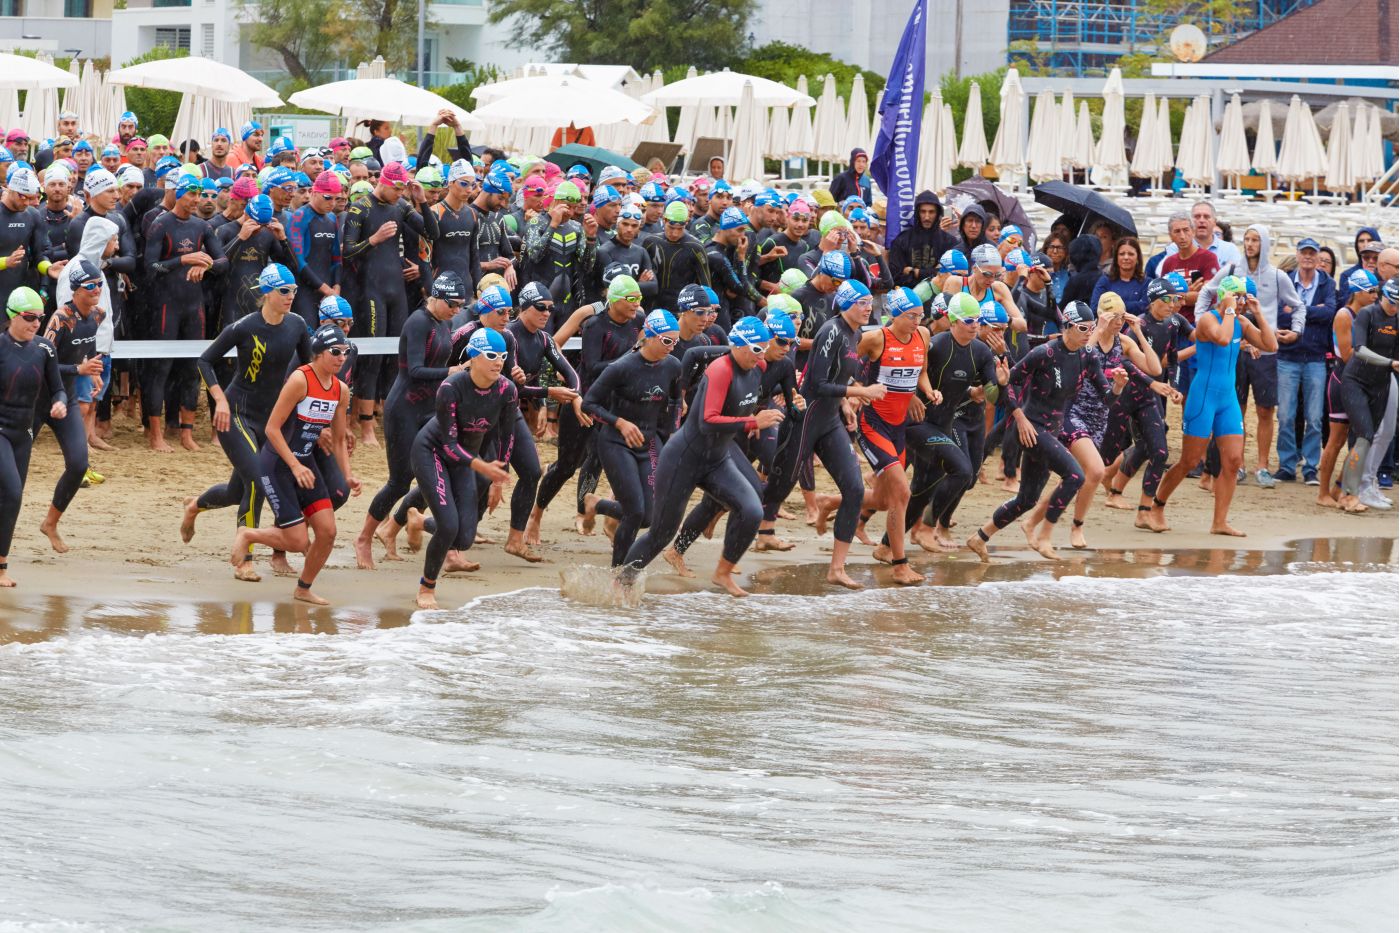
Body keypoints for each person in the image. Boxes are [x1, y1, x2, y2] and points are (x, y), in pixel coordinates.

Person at [617, 317, 783, 598]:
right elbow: (707, 421)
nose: (761, 355)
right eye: (756, 349)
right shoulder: (721, 370)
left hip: (716, 459)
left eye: (764, 349)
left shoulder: (759, 366)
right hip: (684, 458)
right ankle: (622, 582)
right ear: (738, 346)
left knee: (752, 510)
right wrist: (753, 423)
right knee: (661, 534)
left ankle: (723, 572)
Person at [967, 299, 1129, 562]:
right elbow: (1008, 383)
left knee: (1027, 499)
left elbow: (1106, 399)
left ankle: (980, 537)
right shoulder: (1045, 353)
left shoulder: (1088, 356)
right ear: (1067, 326)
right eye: (1083, 329)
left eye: (1091, 329)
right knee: (1075, 476)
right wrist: (1019, 417)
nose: (1090, 334)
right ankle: (1044, 536)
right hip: (1032, 428)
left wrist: (1118, 387)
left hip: (1050, 431)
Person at [183, 263, 312, 578]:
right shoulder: (244, 326)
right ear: (267, 293)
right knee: (257, 480)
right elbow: (205, 360)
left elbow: (308, 370)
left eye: (294, 290)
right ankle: (246, 560)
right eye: (284, 291)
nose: (291, 296)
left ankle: (194, 506)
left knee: (235, 493)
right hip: (237, 415)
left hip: (270, 420)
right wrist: (220, 399)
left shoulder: (296, 325)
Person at [1021, 292, 1171, 550]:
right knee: (1096, 472)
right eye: (1113, 316)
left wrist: (1137, 331)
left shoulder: (1123, 342)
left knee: (1075, 477)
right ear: (1101, 315)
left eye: (1121, 316)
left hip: (1099, 417)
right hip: (1072, 413)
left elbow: (1155, 369)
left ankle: (1032, 521)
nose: (1118, 322)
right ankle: (1076, 527)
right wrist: (1098, 329)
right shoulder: (1084, 341)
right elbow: (1083, 357)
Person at [232, 324, 357, 605]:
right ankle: (248, 534)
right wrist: (295, 465)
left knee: (327, 532)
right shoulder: (301, 380)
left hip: (305, 463)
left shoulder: (341, 390)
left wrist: (348, 475)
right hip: (276, 463)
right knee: (298, 541)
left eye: (345, 353)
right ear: (318, 353)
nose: (341, 358)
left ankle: (303, 588)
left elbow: (338, 440)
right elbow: (272, 429)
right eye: (335, 352)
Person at [1148, 276, 1277, 536]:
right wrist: (1228, 309)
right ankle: (1157, 505)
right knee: (1189, 460)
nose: (1241, 302)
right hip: (1203, 396)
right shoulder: (1208, 319)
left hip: (1227, 400)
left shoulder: (1240, 321)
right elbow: (1221, 338)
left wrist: (1258, 314)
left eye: (1243, 298)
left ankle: (1220, 522)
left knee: (1233, 460)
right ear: (1224, 296)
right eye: (1236, 296)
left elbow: (1271, 345)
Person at [352, 271, 465, 570]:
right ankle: (364, 538)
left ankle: (396, 529)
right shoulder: (417, 322)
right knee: (399, 482)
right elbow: (414, 370)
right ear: (437, 297)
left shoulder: (445, 323)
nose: (457, 310)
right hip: (403, 409)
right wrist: (451, 372)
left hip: (430, 409)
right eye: (453, 304)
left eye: (460, 305)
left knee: (439, 473)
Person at [412, 327, 517, 610]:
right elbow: (448, 444)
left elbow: (507, 437)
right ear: (473, 357)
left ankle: (418, 521)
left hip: (465, 459)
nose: (499, 362)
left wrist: (498, 480)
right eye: (492, 355)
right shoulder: (451, 388)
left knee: (465, 538)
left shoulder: (507, 389)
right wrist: (481, 466)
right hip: (432, 451)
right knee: (448, 526)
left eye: (503, 356)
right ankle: (426, 588)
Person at [581, 309, 684, 567]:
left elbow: (675, 400)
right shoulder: (622, 367)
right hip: (616, 442)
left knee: (649, 517)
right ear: (649, 336)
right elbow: (589, 404)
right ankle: (619, 575)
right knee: (634, 511)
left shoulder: (673, 365)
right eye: (667, 341)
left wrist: (668, 432)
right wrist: (620, 422)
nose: (672, 347)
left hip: (648, 443)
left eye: (676, 342)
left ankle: (597, 503)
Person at [904, 293, 1006, 553]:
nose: (975, 326)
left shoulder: (981, 351)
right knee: (959, 472)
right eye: (969, 321)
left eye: (978, 321)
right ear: (952, 320)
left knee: (923, 487)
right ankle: (927, 529)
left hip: (944, 424)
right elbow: (909, 372)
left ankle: (893, 540)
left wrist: (998, 384)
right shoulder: (936, 345)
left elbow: (992, 395)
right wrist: (911, 399)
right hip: (918, 422)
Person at [799, 278, 880, 589]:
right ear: (846, 303)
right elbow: (817, 384)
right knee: (774, 488)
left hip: (831, 419)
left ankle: (837, 568)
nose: (868, 308)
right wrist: (860, 391)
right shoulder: (831, 331)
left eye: (870, 303)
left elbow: (839, 375)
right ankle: (725, 525)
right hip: (806, 418)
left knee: (855, 490)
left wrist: (846, 401)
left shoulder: (854, 332)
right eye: (862, 303)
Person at [142, 173, 228, 453]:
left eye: (200, 195)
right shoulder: (160, 224)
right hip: (166, 305)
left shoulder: (202, 227)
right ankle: (155, 435)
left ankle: (186, 434)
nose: (197, 200)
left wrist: (206, 266)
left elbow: (223, 261)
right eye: (191, 195)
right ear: (178, 194)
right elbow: (150, 267)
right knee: (161, 370)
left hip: (194, 306)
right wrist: (184, 259)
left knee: (192, 369)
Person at [853, 287, 931, 586]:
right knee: (902, 492)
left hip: (899, 426)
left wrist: (924, 391)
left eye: (920, 316)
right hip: (873, 423)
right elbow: (845, 359)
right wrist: (855, 391)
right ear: (895, 315)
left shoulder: (922, 335)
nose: (916, 321)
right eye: (911, 316)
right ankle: (900, 564)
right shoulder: (876, 338)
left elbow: (919, 371)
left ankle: (828, 503)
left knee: (886, 500)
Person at [1102, 276, 1194, 525]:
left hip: (1147, 396)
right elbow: (1125, 361)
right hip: (1125, 394)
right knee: (1108, 453)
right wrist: (1152, 383)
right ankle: (1108, 488)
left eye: (1176, 300)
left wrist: (1173, 387)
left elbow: (1173, 359)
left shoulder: (1173, 324)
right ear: (1154, 301)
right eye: (1168, 300)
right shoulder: (1137, 325)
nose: (1173, 305)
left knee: (1159, 451)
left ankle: (1143, 511)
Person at [35, 261, 104, 553]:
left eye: (100, 283)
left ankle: (50, 523)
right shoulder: (60, 318)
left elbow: (87, 349)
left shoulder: (98, 315)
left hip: (67, 396)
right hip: (38, 398)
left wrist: (95, 371)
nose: (97, 290)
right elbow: (42, 364)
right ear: (76, 290)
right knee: (12, 468)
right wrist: (80, 369)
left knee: (79, 465)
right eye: (90, 286)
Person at [0, 287, 66, 587]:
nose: (36, 324)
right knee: (11, 492)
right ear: (11, 316)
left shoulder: (45, 349)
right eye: (29, 317)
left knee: (12, 501)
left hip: (23, 435)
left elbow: (58, 387)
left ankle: (1, 566)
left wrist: (60, 402)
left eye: (39, 318)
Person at [1277, 237, 1336, 485]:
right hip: (1288, 355)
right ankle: (1288, 465)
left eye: (1313, 253)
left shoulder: (1327, 282)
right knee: (1286, 415)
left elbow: (1330, 312)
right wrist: (1313, 310)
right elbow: (1279, 315)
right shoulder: (1286, 280)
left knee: (1314, 417)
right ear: (1298, 255)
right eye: (1305, 253)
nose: (1308, 257)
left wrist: (1298, 310)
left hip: (1314, 356)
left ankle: (1311, 467)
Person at [1337, 278, 1399, 513]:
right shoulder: (1367, 314)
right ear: (1382, 296)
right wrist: (1390, 363)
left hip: (1380, 384)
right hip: (1356, 381)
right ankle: (1349, 495)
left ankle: (1358, 488)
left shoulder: (1397, 319)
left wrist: (1390, 364)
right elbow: (1360, 350)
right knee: (1363, 435)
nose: (1393, 308)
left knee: (1370, 437)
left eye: (1397, 305)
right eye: (1391, 302)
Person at [1317, 270, 1378, 507]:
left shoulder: (1371, 315)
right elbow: (1347, 353)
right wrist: (1379, 359)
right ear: (1356, 291)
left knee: (1360, 439)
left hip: (1361, 381)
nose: (1375, 295)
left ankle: (1338, 488)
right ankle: (1322, 493)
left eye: (1376, 291)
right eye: (1370, 291)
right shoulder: (1345, 315)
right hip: (1343, 379)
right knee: (1336, 440)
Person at [645, 200, 711, 310]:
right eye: (671, 228)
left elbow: (706, 286)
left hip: (682, 309)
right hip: (652, 306)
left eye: (680, 229)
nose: (675, 233)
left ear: (686, 223)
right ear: (664, 220)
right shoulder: (651, 242)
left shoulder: (696, 247)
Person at [888, 190, 960, 289]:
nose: (927, 217)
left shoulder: (949, 242)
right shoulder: (902, 240)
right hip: (908, 297)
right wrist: (933, 272)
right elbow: (895, 276)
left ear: (937, 213)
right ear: (917, 212)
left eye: (931, 212)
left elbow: (952, 275)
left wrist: (916, 272)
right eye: (923, 211)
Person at [1090, 236, 1149, 317]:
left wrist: (1111, 305)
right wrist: (1134, 305)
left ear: (1138, 257)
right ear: (1116, 257)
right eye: (1122, 254)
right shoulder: (1105, 281)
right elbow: (1095, 308)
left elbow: (1146, 307)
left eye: (1131, 254)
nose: (1126, 257)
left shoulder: (1147, 283)